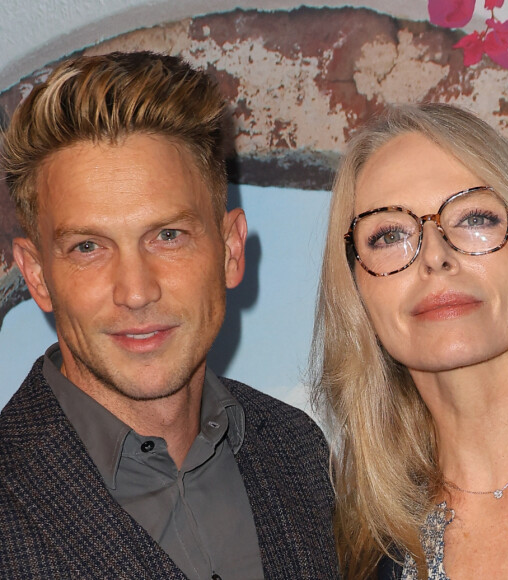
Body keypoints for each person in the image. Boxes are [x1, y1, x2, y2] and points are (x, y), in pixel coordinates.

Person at [0, 51, 338, 579]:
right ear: (38, 275)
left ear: (230, 250)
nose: (136, 292)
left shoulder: (299, 454)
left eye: (168, 236)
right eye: (88, 246)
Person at [310, 102, 508, 579]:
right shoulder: (344, 548)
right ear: (359, 297)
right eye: (389, 234)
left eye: (475, 218)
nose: (434, 256)